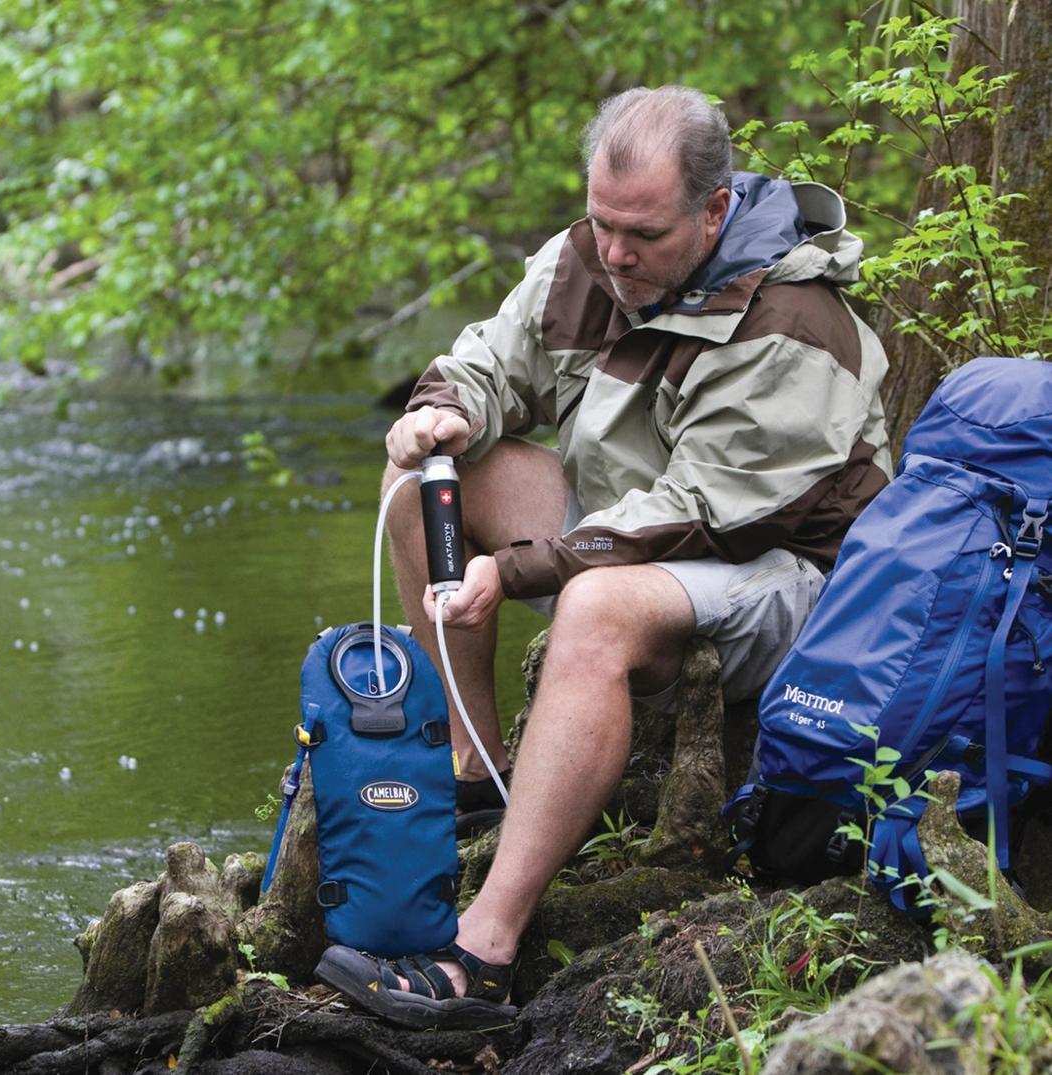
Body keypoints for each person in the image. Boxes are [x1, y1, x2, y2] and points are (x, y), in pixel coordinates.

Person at [316, 84, 891, 1028]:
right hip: (635, 532)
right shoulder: (592, 256)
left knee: (595, 606)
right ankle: (477, 768)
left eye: (644, 234)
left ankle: (483, 951)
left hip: (789, 579)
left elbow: (699, 513)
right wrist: (440, 408)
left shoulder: (792, 319)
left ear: (714, 210)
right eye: (602, 222)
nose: (615, 253)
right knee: (428, 477)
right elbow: (492, 360)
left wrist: (524, 567)